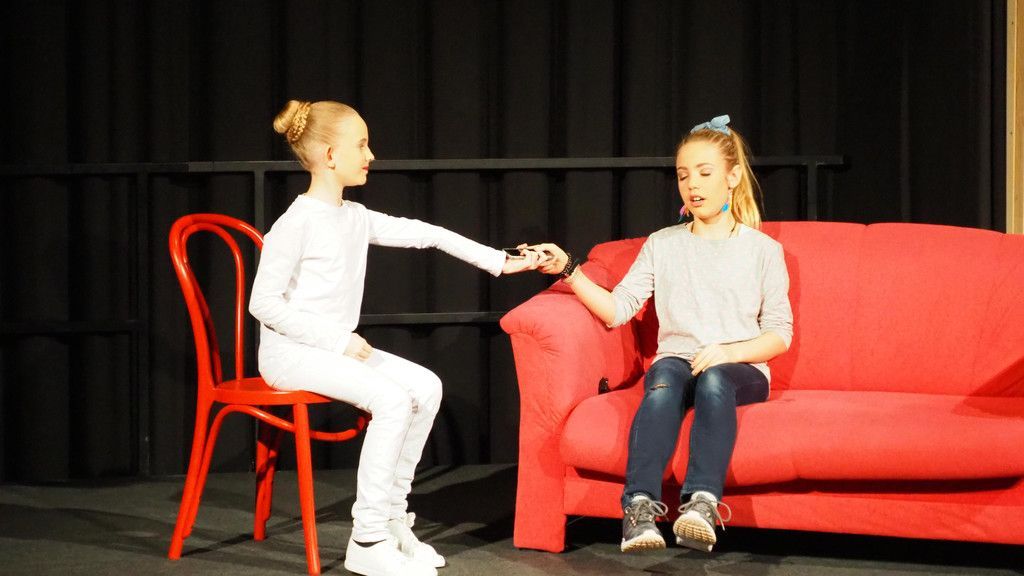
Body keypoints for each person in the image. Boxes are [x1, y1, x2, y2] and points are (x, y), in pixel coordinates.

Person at [249, 99, 545, 576]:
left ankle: (390, 519)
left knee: (426, 387)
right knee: (389, 400)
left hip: (330, 350)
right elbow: (263, 304)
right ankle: (366, 538)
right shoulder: (296, 223)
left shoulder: (354, 216)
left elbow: (428, 234)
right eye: (361, 145)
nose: (371, 155)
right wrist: (337, 341)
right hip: (290, 355)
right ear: (330, 155)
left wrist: (501, 261)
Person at [530, 115, 793, 554]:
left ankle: (702, 505)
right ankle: (638, 510)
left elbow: (779, 335)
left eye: (704, 173)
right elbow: (619, 309)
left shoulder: (762, 250)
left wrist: (728, 352)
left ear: (731, 177)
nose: (693, 185)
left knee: (714, 380)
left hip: (741, 367)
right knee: (664, 380)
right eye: (683, 175)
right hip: (679, 360)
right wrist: (569, 270)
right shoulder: (663, 243)